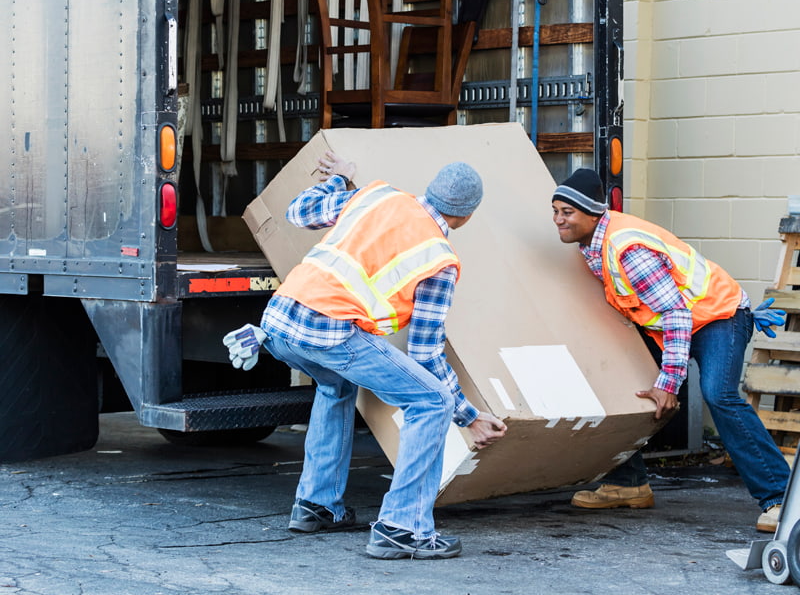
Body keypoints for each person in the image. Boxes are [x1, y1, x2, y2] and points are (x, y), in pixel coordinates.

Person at [224, 151, 507, 559]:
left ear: (429, 191)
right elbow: (425, 354)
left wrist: (339, 180)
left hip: (280, 319)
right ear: (466, 216)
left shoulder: (376, 195)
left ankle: (317, 506)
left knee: (335, 383)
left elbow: (298, 211)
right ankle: (402, 528)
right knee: (433, 401)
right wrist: (468, 414)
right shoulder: (440, 258)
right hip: (328, 332)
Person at [550, 168, 790, 533]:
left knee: (718, 394)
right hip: (674, 326)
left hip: (716, 318)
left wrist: (669, 381)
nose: (558, 220)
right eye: (554, 211)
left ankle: (782, 499)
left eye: (566, 212)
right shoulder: (593, 245)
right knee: (614, 374)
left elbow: (676, 313)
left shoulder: (625, 248)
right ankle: (628, 483)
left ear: (592, 213)